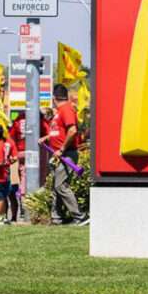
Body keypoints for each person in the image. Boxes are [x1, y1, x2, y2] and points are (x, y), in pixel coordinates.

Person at [42, 85, 89, 226]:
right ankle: (57, 218)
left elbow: (72, 130)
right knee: (57, 187)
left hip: (66, 154)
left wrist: (61, 149)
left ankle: (80, 217)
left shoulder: (66, 109)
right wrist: (46, 138)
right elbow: (60, 131)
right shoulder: (60, 111)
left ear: (54, 97)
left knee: (61, 186)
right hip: (60, 155)